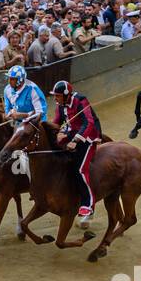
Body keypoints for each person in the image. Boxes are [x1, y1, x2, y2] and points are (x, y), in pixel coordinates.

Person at [51, 80, 102, 221]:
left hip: (88, 136)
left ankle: (88, 206)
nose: (55, 98)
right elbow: (56, 122)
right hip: (71, 134)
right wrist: (51, 132)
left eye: (58, 96)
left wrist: (75, 141)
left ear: (66, 95)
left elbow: (89, 122)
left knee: (80, 169)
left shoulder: (80, 100)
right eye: (55, 96)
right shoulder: (60, 105)